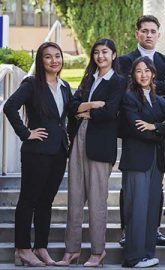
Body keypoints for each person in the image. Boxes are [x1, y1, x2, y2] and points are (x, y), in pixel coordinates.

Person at [58, 38, 127, 267]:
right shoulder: (89, 78)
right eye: (96, 52)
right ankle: (71, 251)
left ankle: (98, 251)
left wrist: (87, 110)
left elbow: (110, 112)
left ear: (114, 55)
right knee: (74, 198)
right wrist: (92, 105)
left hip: (100, 144)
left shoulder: (118, 81)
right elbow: (71, 107)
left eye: (105, 52)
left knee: (97, 201)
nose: (100, 56)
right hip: (78, 138)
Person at [4, 42, 72, 267]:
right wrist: (25, 133)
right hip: (37, 151)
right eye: (48, 57)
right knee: (28, 200)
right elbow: (10, 106)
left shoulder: (64, 87)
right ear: (40, 61)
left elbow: (67, 116)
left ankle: (40, 247)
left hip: (59, 151)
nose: (54, 60)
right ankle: (23, 249)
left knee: (46, 201)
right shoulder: (32, 84)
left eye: (58, 56)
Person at [118, 15, 165, 247]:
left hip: (157, 140)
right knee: (130, 190)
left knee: (156, 189)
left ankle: (155, 229)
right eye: (144, 31)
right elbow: (127, 91)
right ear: (137, 34)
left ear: (158, 35)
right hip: (135, 135)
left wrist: (157, 91)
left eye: (153, 31)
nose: (148, 35)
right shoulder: (124, 61)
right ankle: (126, 231)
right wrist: (161, 86)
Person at [119, 57, 165, 268]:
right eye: (138, 71)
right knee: (136, 209)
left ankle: (147, 254)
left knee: (150, 209)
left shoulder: (160, 99)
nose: (143, 74)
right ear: (133, 74)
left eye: (147, 70)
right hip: (137, 160)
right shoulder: (129, 98)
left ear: (153, 73)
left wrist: (154, 127)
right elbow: (135, 128)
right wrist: (159, 128)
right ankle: (133, 257)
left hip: (156, 161)